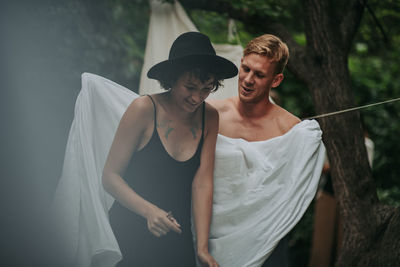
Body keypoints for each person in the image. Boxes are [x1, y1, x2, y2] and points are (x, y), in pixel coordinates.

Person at [102, 32, 237, 267]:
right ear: (172, 78)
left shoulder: (210, 118)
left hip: (176, 236)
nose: (198, 97)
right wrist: (149, 211)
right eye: (190, 86)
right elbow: (110, 177)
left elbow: (202, 182)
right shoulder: (143, 109)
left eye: (206, 88)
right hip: (129, 232)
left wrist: (202, 248)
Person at [206, 34, 325, 266]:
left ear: (276, 80)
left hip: (266, 240)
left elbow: (289, 195)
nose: (248, 79)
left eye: (259, 74)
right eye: (246, 69)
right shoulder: (212, 114)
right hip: (209, 233)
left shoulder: (291, 131)